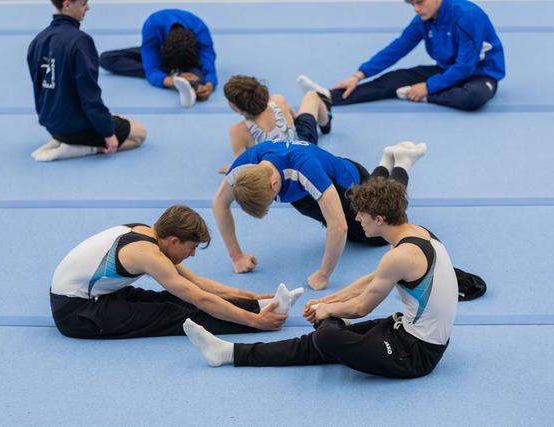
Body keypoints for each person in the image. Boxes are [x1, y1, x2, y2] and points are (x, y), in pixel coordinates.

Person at [185, 177, 457, 379]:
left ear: (380, 219)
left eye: (361, 215)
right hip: (403, 331)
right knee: (317, 341)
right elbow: (372, 280)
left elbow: (363, 307)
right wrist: (327, 300)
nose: (358, 220)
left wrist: (327, 310)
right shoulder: (416, 234)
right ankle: (228, 352)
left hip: (415, 354)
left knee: (327, 339)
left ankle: (333, 323)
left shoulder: (399, 256)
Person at [50, 205, 304, 339]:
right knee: (178, 315)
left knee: (173, 299)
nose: (192, 254)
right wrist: (255, 322)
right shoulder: (148, 255)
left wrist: (253, 297)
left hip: (92, 298)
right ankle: (259, 318)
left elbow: (198, 283)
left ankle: (263, 306)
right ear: (174, 240)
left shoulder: (149, 234)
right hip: (76, 315)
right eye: (192, 247)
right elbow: (199, 298)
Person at [213, 139, 427, 290]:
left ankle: (402, 162)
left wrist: (323, 274)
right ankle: (387, 158)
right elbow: (219, 205)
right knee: (352, 233)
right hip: (305, 195)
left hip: (345, 183)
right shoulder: (242, 167)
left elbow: (338, 226)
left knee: (380, 231)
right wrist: (236, 255)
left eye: (271, 199)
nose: (273, 203)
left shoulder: (305, 168)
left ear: (273, 182)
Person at [297, 0, 505, 111]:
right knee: (394, 79)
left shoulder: (468, 16)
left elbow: (466, 66)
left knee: (473, 98)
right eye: (411, 3)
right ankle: (326, 97)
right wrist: (358, 75)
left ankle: (427, 98)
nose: (415, 8)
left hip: (479, 75)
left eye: (420, 2)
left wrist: (427, 88)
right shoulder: (424, 19)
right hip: (447, 70)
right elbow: (396, 49)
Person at [27, 0, 146, 162]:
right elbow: (89, 95)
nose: (88, 8)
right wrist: (108, 133)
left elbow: (38, 86)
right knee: (139, 134)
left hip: (51, 125)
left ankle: (64, 140)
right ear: (67, 4)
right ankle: (83, 148)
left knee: (114, 117)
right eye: (83, 3)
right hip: (75, 128)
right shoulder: (81, 41)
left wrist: (45, 116)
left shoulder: (38, 40)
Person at [99, 9, 216, 108]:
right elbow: (151, 68)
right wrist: (171, 81)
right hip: (161, 53)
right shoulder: (152, 26)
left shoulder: (199, 29)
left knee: (199, 72)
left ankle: (193, 83)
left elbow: (208, 63)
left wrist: (209, 84)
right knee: (106, 59)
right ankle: (183, 78)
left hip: (190, 57)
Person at [219, 75, 332, 173]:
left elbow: (243, 165)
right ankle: (326, 123)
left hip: (277, 169)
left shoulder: (238, 131)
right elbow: (296, 118)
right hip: (303, 151)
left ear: (237, 108)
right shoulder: (278, 100)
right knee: (311, 96)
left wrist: (233, 167)